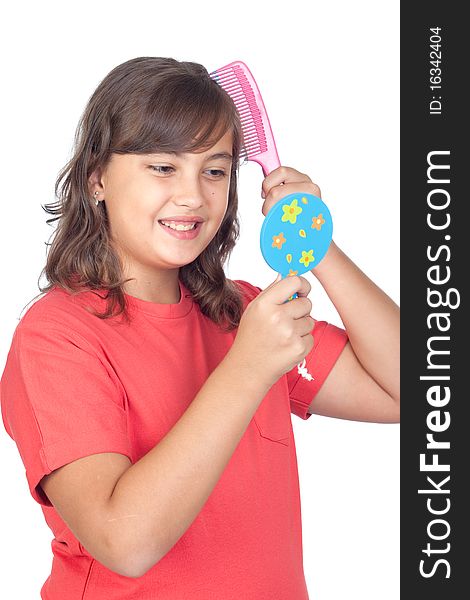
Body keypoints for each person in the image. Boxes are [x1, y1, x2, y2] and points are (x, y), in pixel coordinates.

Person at [0, 56, 399, 599]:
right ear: (97, 177)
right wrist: (248, 369)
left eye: (215, 170)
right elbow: (126, 543)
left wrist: (317, 242)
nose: (193, 195)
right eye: (163, 167)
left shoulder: (243, 315)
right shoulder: (57, 337)